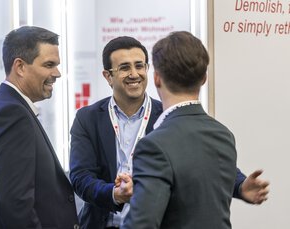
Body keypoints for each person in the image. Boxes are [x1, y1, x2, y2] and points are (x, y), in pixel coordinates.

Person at [69, 36, 269, 229]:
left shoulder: (170, 116)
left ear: (151, 73)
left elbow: (204, 157)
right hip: (103, 221)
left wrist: (240, 185)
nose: (134, 74)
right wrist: (114, 194)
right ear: (108, 76)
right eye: (124, 67)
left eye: (139, 66)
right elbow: (80, 176)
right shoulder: (88, 118)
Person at [0, 26, 79, 229]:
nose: (57, 73)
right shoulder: (12, 114)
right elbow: (15, 205)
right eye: (49, 65)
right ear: (20, 67)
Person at [122, 31, 235, 228]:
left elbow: (141, 224)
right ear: (204, 78)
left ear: (156, 78)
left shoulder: (154, 146)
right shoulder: (224, 135)